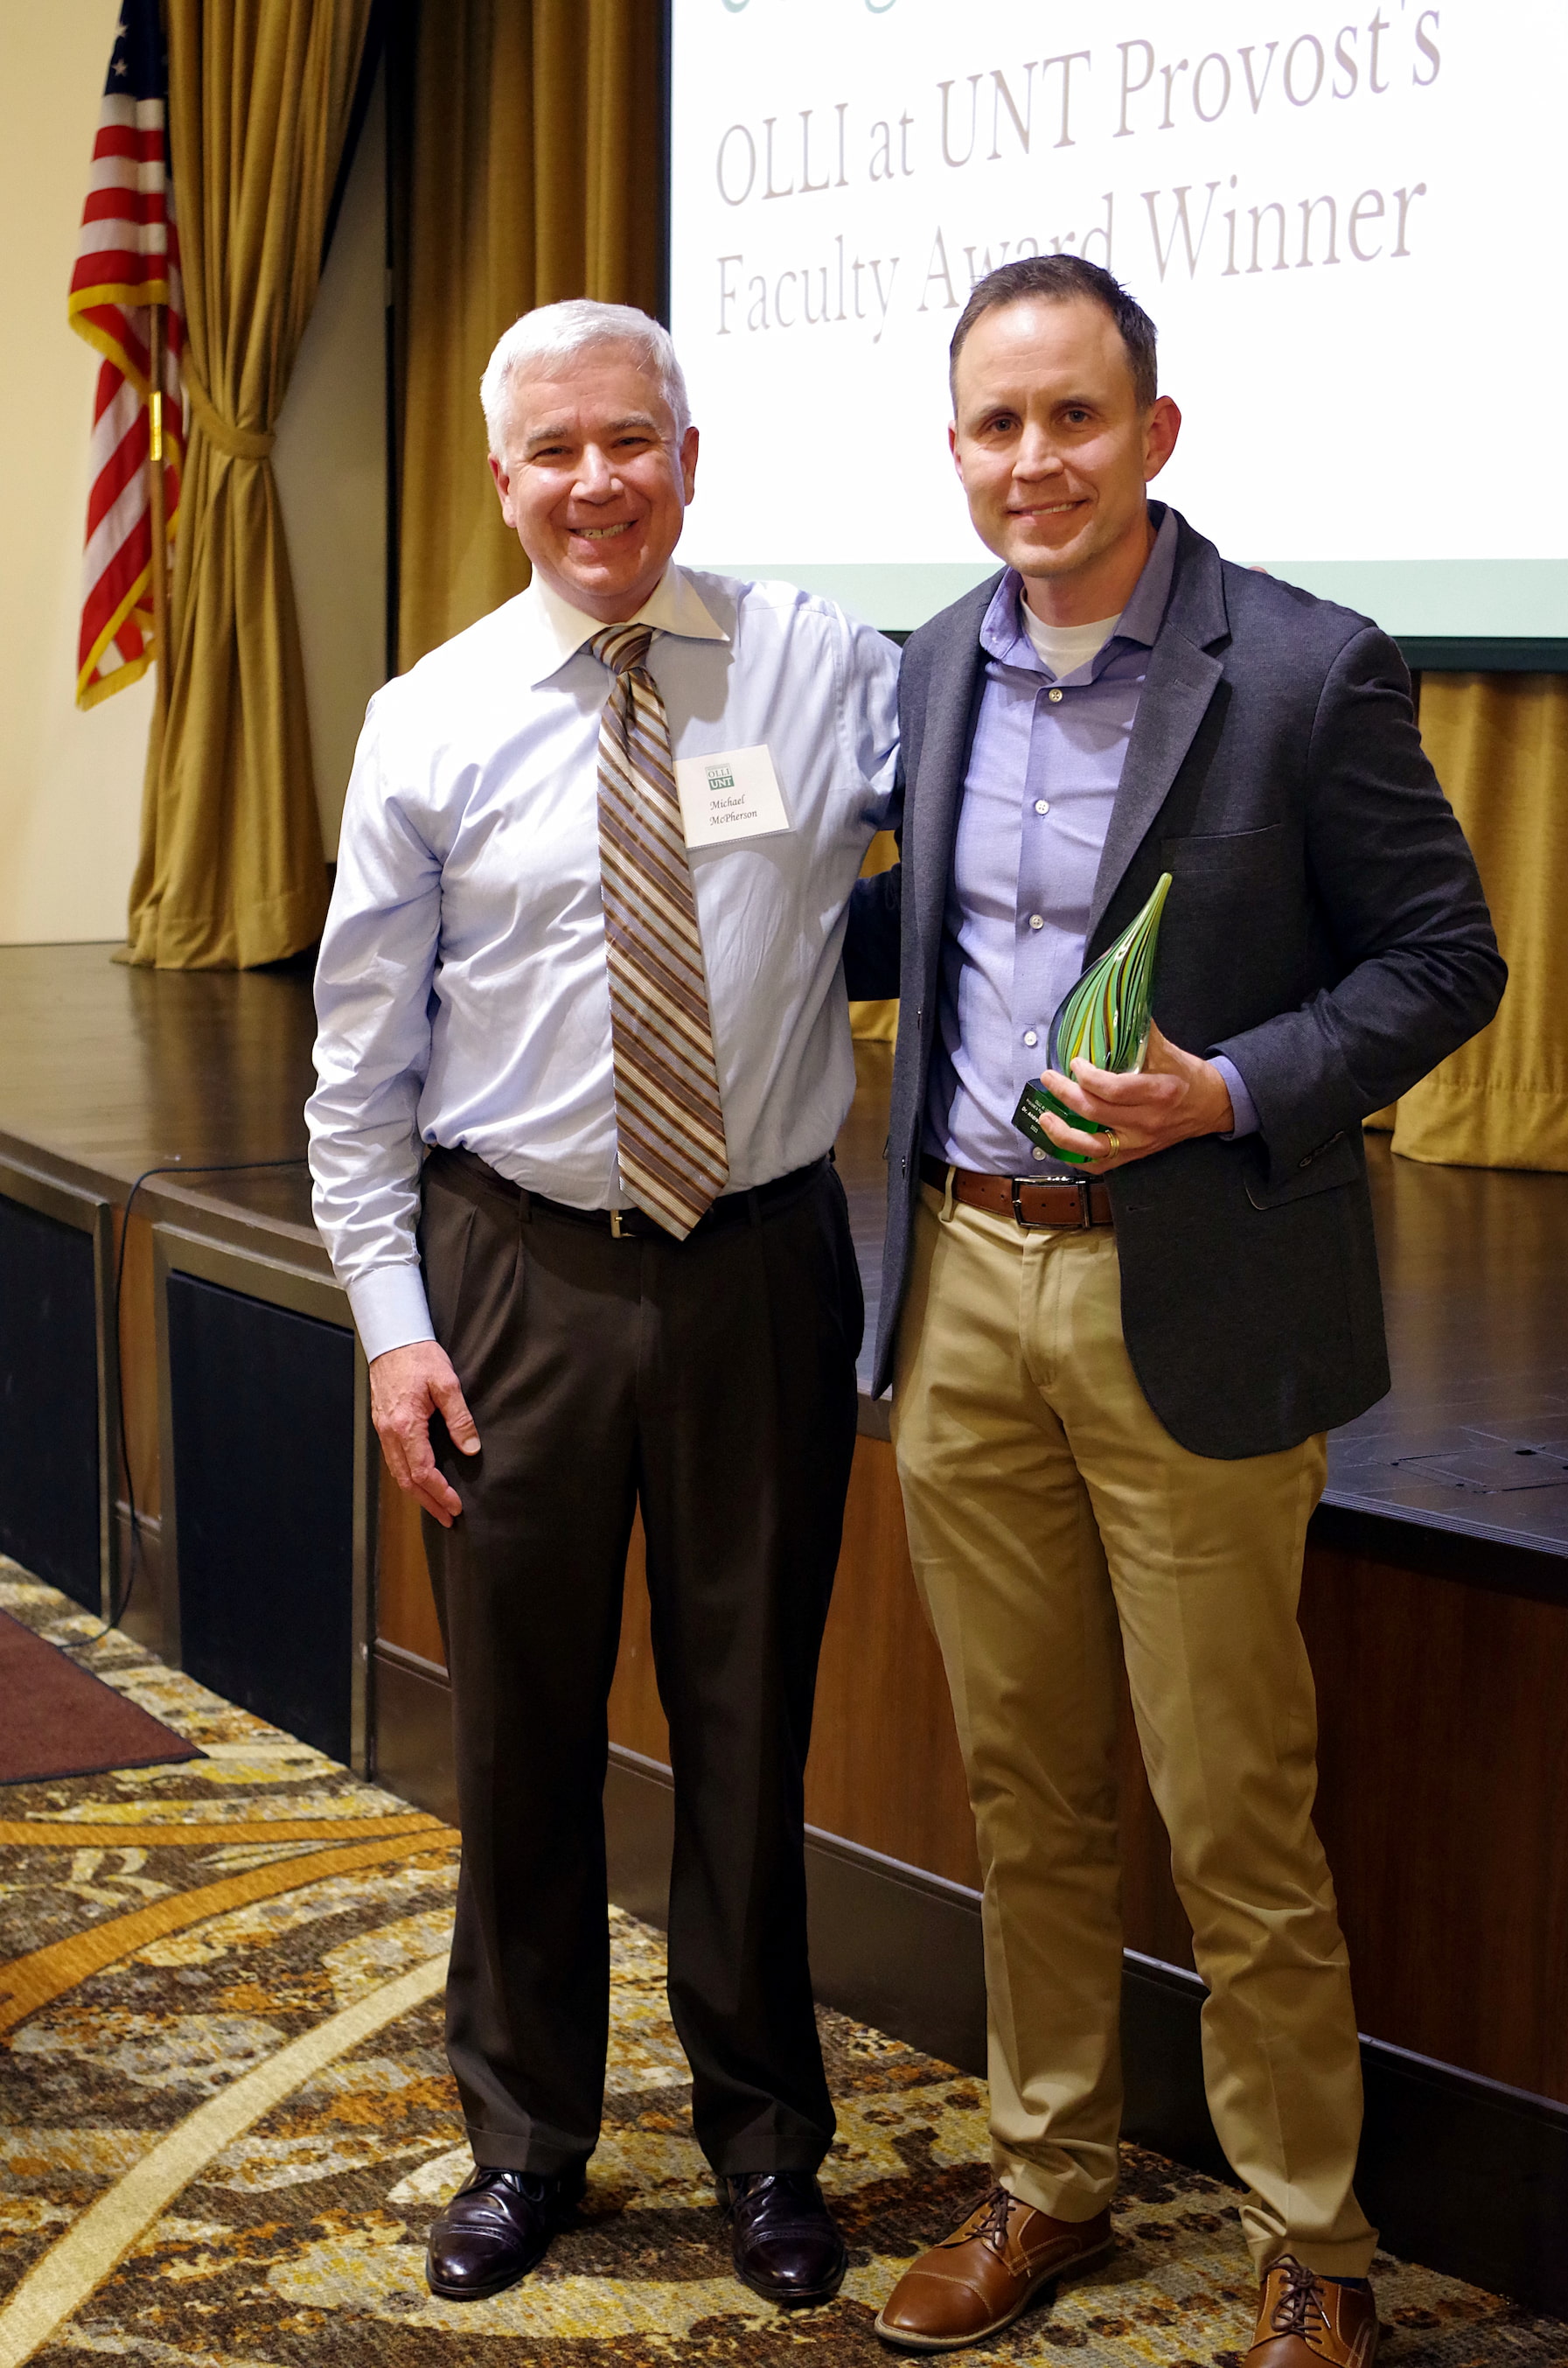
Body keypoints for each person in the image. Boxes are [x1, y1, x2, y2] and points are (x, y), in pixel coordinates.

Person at [844, 254, 1505, 2357]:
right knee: (1026, 1781)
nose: (1033, 460)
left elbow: (1444, 962)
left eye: (1072, 417)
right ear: (956, 452)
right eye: (994, 425)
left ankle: (1312, 2233)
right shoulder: (934, 662)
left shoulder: (1308, 668)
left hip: (1190, 1295)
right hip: (961, 1284)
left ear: (1155, 433)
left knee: (1233, 1804)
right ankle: (1051, 2173)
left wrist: (1227, 1088)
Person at [307, 298, 897, 2309]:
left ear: (689, 453)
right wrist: (394, 1318)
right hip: (515, 1279)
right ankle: (525, 2137)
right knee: (525, 1741)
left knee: (751, 1730)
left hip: (756, 1272)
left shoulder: (821, 666)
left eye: (628, 441)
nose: (595, 483)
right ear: (502, 482)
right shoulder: (433, 713)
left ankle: (766, 2148)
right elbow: (358, 1065)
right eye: (553, 452)